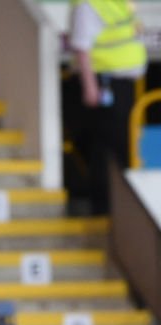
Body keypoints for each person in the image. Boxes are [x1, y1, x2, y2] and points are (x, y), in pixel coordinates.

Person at [68, 0, 146, 214]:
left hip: (121, 83)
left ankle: (117, 206)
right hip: (105, 83)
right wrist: (90, 86)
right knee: (107, 149)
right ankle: (104, 207)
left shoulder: (119, 3)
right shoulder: (89, 5)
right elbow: (81, 47)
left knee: (122, 147)